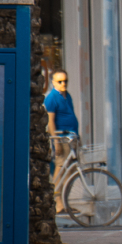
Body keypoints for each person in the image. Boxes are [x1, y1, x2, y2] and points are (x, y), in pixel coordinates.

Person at [44, 70, 79, 206]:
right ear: (53, 83)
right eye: (60, 81)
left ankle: (64, 202)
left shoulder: (67, 95)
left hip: (71, 137)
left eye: (65, 81)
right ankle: (57, 202)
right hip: (62, 138)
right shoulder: (52, 98)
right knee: (60, 167)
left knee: (70, 170)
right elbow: (50, 121)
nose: (63, 84)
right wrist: (56, 141)